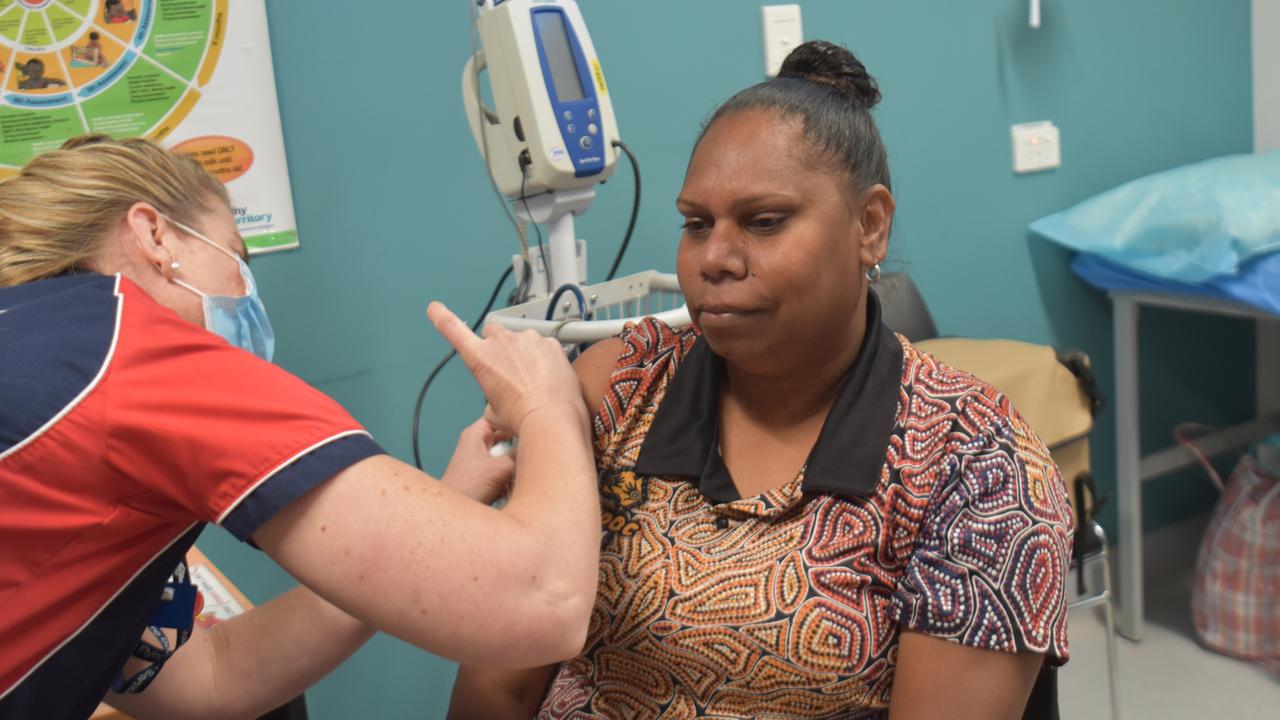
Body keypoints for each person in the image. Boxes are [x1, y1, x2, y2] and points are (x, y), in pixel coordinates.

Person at [449, 41, 1073, 719]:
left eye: (764, 222)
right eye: (696, 223)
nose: (713, 258)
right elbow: (501, 678)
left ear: (870, 225)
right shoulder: (620, 388)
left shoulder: (974, 465)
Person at [0, 135, 600, 718]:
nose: (249, 293)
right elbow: (543, 602)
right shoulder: (130, 356)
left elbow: (213, 679)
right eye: (239, 259)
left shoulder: (38, 346)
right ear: (154, 235)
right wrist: (548, 404)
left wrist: (437, 514)